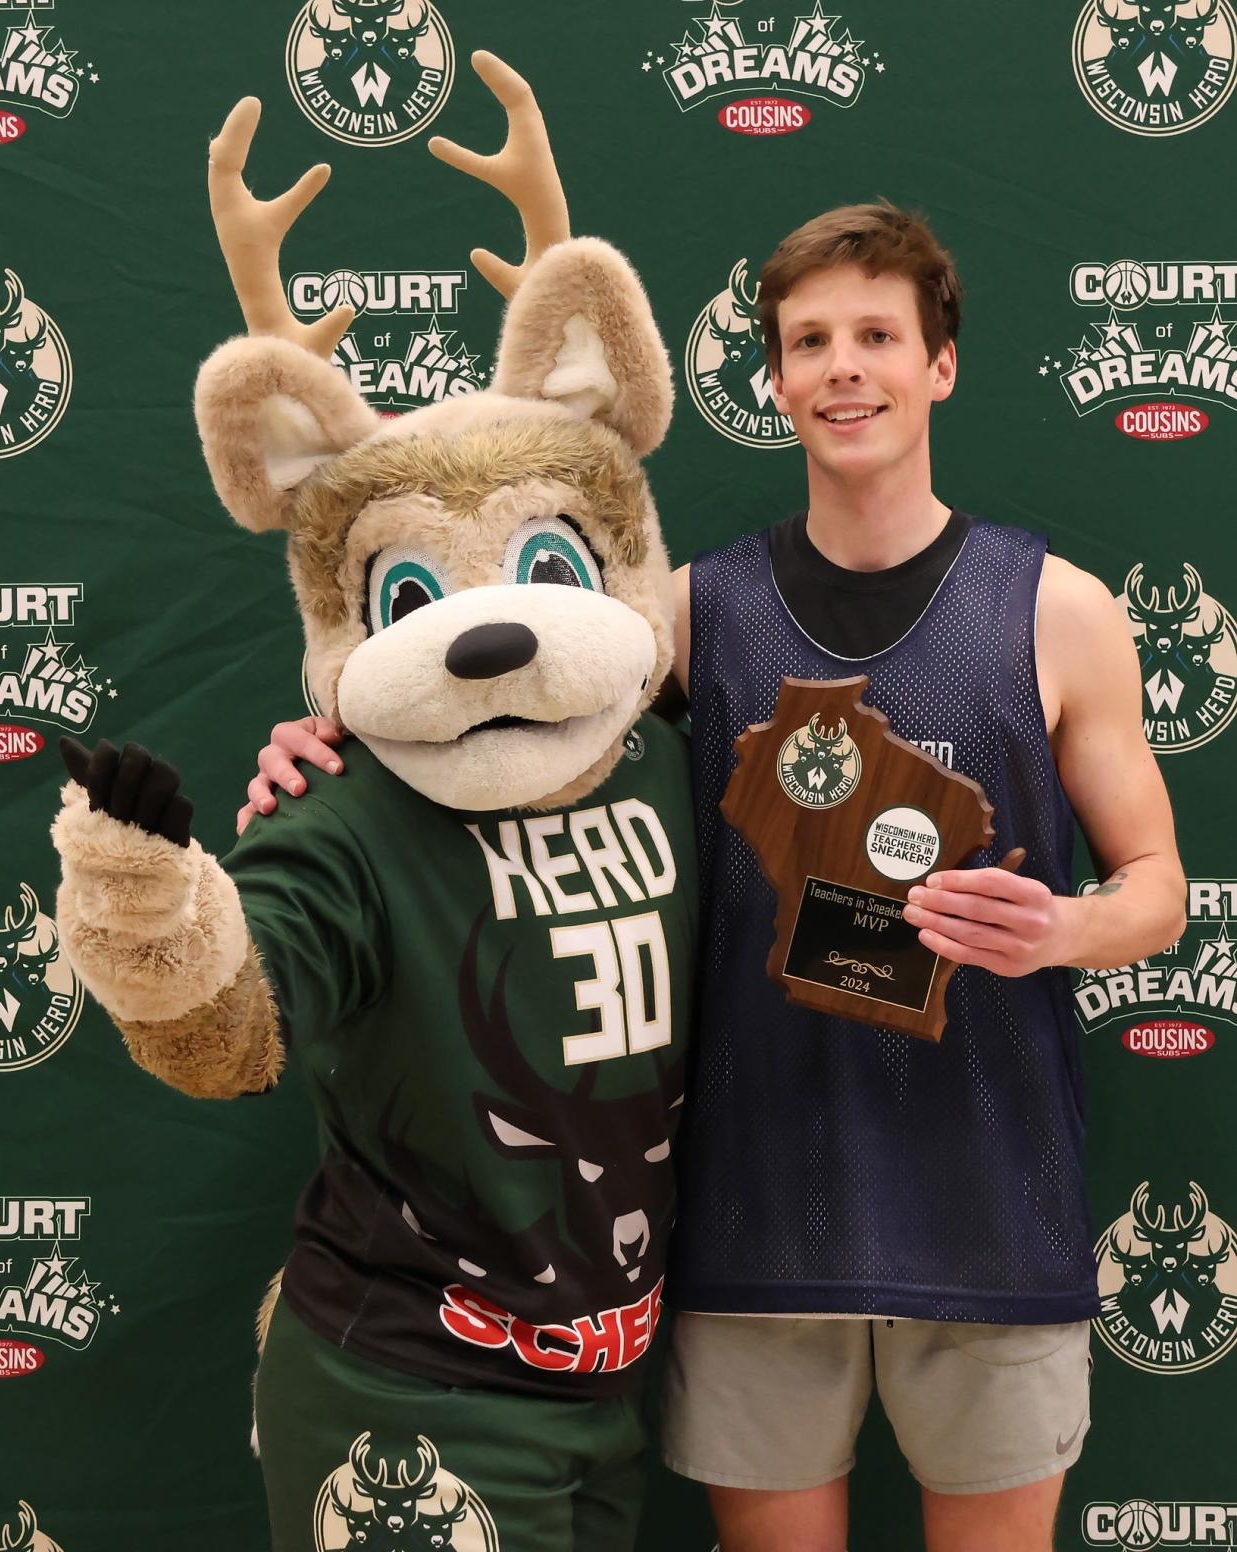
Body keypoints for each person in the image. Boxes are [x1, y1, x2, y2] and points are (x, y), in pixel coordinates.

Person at [242, 202, 1185, 1552]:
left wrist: (1058, 930)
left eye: (876, 334)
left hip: (988, 1211)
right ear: (776, 380)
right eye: (809, 341)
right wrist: (331, 736)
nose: (843, 367)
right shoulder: (675, 618)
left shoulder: (1058, 610)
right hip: (753, 1228)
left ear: (941, 364)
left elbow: (1156, 887)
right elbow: (486, 727)